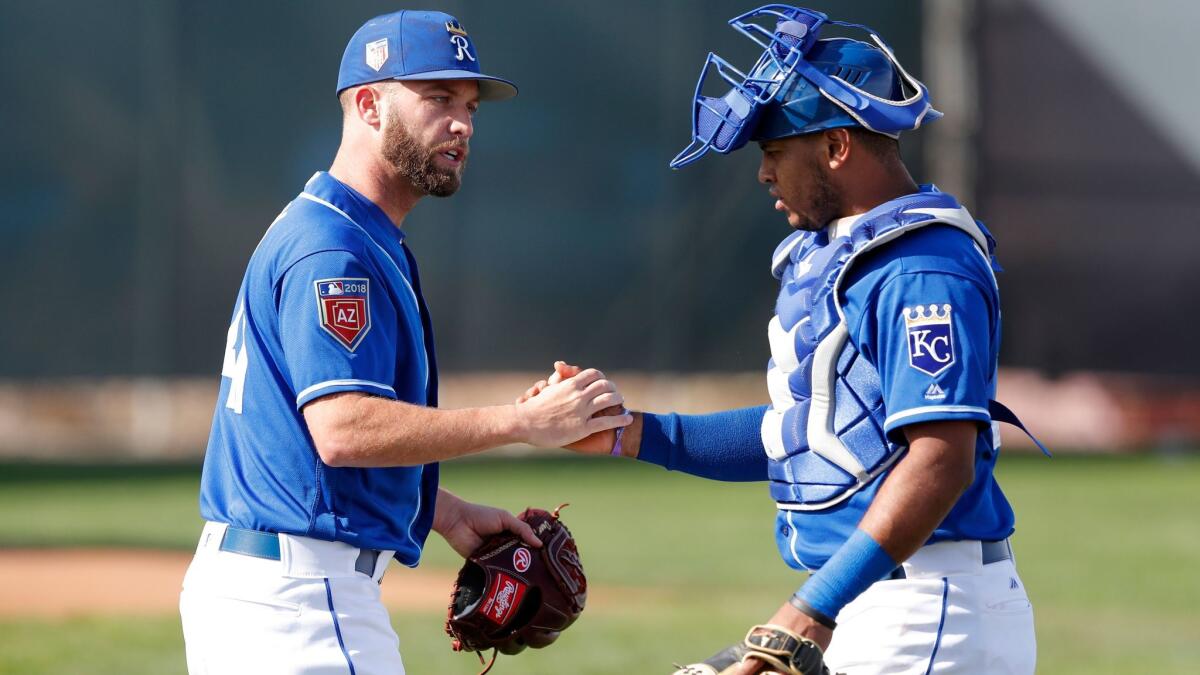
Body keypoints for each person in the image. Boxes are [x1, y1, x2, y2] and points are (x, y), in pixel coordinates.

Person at [524, 6, 1038, 674]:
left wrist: (808, 609)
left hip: (926, 608)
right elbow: (808, 435)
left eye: (774, 152)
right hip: (876, 601)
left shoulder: (921, 267)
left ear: (835, 146)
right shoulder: (849, 254)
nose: (764, 174)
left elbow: (941, 460)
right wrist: (633, 433)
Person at [178, 10, 631, 675]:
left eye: (471, 105)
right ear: (368, 105)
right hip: (301, 604)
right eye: (438, 98)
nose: (463, 123)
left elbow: (312, 455)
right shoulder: (333, 251)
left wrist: (438, 509)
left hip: (269, 594)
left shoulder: (347, 231)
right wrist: (522, 422)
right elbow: (341, 429)